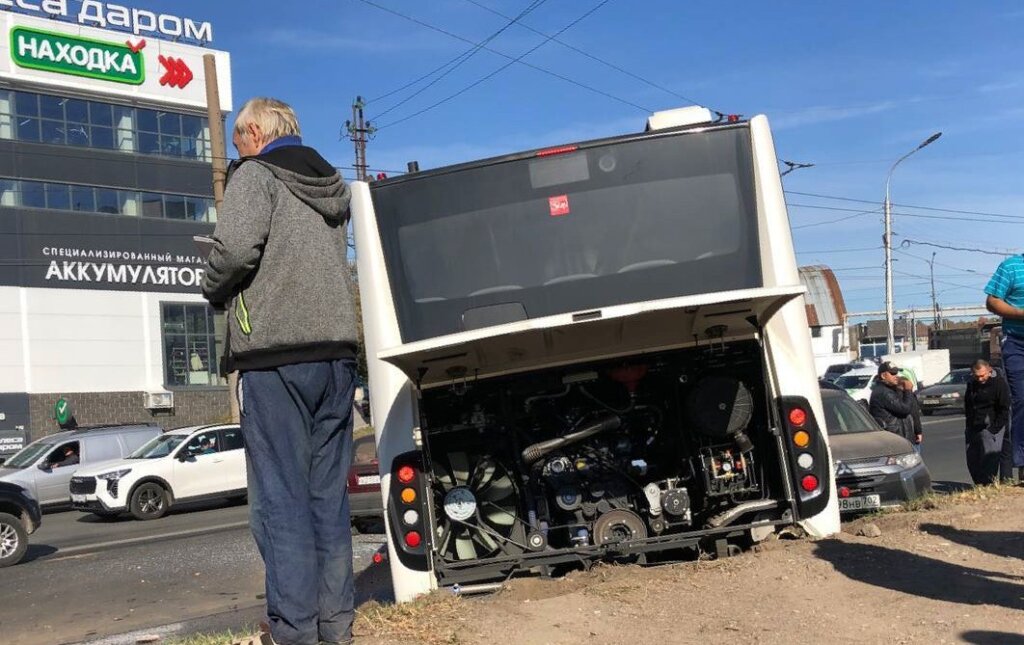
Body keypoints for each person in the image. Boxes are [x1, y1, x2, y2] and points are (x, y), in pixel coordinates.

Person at [201, 97, 358, 645]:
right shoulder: (332, 187)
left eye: (238, 137)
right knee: (326, 500)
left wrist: (210, 284)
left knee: (281, 503)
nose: (237, 147)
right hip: (337, 354)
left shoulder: (255, 176)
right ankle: (335, 628)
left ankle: (294, 633)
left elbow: (235, 252)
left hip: (275, 360)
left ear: (255, 132)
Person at [984, 255, 1024, 482]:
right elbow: (992, 301)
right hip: (1017, 341)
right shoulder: (1011, 267)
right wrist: (1020, 313)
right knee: (1022, 400)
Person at [963, 359, 1011, 485]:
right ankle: (980, 484)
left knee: (989, 461)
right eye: (976, 376)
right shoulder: (972, 383)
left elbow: (1004, 408)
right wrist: (968, 425)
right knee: (972, 460)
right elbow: (968, 404)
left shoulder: (999, 383)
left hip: (990, 428)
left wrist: (993, 430)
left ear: (989, 371)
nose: (980, 379)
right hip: (973, 427)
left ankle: (987, 485)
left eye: (982, 375)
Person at [869, 362, 916, 443]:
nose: (896, 376)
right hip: (893, 438)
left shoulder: (889, 390)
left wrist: (900, 390)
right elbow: (904, 409)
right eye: (892, 373)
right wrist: (908, 390)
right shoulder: (884, 392)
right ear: (883, 376)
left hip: (898, 437)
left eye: (896, 373)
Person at [899, 376, 924, 454]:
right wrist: (918, 432)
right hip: (910, 435)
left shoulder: (894, 397)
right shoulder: (909, 397)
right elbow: (915, 415)